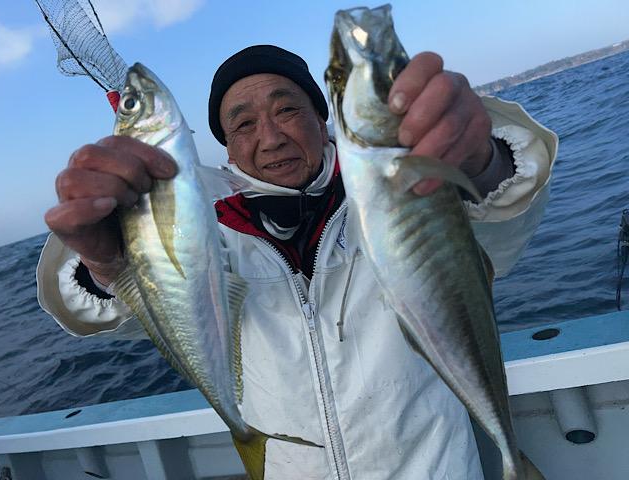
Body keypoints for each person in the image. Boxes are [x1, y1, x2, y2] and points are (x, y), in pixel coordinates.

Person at [38, 45, 557, 479]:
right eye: (243, 123)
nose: (270, 137)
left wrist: (480, 160)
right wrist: (107, 265)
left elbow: (500, 216)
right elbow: (118, 313)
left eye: (286, 110)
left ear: (320, 116)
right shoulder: (199, 223)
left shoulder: (396, 186)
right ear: (227, 148)